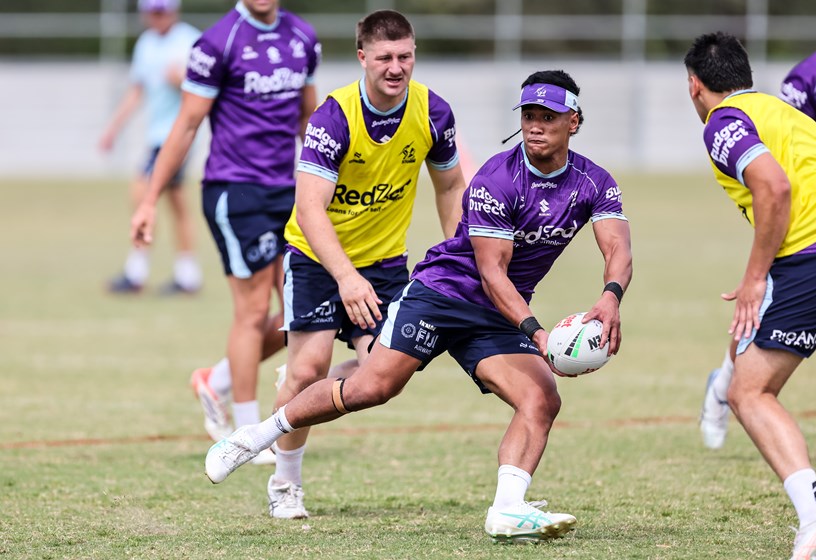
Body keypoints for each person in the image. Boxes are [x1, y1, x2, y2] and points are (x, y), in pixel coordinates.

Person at [204, 69, 633, 542]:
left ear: (574, 121)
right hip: (443, 295)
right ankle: (255, 437)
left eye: (548, 117)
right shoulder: (497, 178)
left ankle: (508, 509)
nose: (535, 125)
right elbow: (492, 273)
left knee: (541, 398)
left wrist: (610, 298)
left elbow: (617, 249)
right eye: (528, 115)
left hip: (494, 314)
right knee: (372, 387)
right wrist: (538, 334)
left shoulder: (595, 181)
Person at [259, 10, 465, 519]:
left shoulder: (433, 112)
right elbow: (309, 210)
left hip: (384, 264)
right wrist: (346, 278)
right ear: (362, 58)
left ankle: (295, 386)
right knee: (311, 370)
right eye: (385, 58)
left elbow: (451, 187)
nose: (396, 68)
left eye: (405, 56)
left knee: (383, 373)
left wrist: (463, 257)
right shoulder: (333, 117)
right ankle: (285, 486)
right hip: (315, 257)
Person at [130, 0, 320, 462]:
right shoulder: (217, 42)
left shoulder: (303, 37)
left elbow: (307, 121)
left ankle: (214, 380)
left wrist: (317, 184)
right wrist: (151, 199)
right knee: (254, 312)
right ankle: (246, 432)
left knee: (301, 313)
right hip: (236, 193)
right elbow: (187, 123)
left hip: (289, 191)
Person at [685, 32, 816, 559]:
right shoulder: (791, 115)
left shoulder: (724, 121)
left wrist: (754, 277)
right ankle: (725, 374)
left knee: (750, 393)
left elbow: (773, 187)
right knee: (746, 366)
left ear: (694, 86)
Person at [700, 6, 816, 451]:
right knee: (762, 316)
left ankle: (729, 386)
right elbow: (776, 178)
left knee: (762, 305)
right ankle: (726, 383)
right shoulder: (808, 79)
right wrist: (756, 275)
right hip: (809, 230)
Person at [100, 0, 202, 295]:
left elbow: (206, 88)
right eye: (153, 12)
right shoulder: (145, 44)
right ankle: (186, 275)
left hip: (179, 135)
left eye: (163, 11)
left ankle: (138, 271)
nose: (158, 17)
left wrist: (182, 79)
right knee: (176, 203)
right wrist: (113, 128)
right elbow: (137, 89)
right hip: (157, 137)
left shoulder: (190, 41)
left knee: (143, 195)